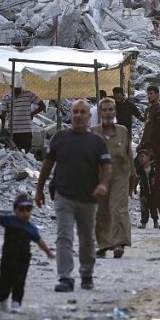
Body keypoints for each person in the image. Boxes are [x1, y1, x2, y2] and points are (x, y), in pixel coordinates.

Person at [35, 99, 112, 293]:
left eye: (82, 112)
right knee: (64, 236)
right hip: (63, 195)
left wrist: (103, 184)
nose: (78, 115)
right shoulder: (60, 138)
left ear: (89, 116)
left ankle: (86, 273)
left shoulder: (97, 141)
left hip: (88, 197)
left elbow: (106, 166)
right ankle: (65, 277)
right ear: (71, 114)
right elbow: (47, 164)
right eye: (75, 112)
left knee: (86, 238)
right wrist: (39, 189)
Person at [0, 193, 54, 313]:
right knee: (4, 280)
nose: (25, 213)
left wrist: (48, 252)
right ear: (15, 210)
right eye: (21, 209)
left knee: (19, 280)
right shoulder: (10, 221)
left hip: (23, 259)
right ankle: (3, 300)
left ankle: (16, 302)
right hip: (8, 256)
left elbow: (39, 241)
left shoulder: (30, 228)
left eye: (28, 209)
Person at [92, 98, 133, 259]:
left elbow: (129, 154)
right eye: (105, 110)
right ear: (100, 113)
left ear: (115, 112)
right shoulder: (94, 132)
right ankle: (103, 245)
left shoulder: (123, 131)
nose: (108, 113)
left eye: (111, 109)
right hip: (100, 175)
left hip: (120, 174)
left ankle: (119, 243)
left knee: (117, 207)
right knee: (101, 211)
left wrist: (134, 176)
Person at [2, 75, 45, 153]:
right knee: (17, 153)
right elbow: (3, 114)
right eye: (16, 88)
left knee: (22, 152)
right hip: (14, 130)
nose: (18, 90)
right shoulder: (7, 96)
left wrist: (32, 114)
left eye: (19, 88)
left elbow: (42, 106)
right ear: (11, 86)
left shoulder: (28, 94)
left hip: (23, 130)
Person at [134, 148, 158, 229]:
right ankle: (144, 222)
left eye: (142, 157)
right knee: (144, 207)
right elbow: (137, 178)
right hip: (144, 190)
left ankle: (155, 221)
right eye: (139, 158)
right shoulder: (139, 169)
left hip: (154, 191)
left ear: (148, 157)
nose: (140, 159)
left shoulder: (154, 167)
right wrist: (134, 188)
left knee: (153, 206)